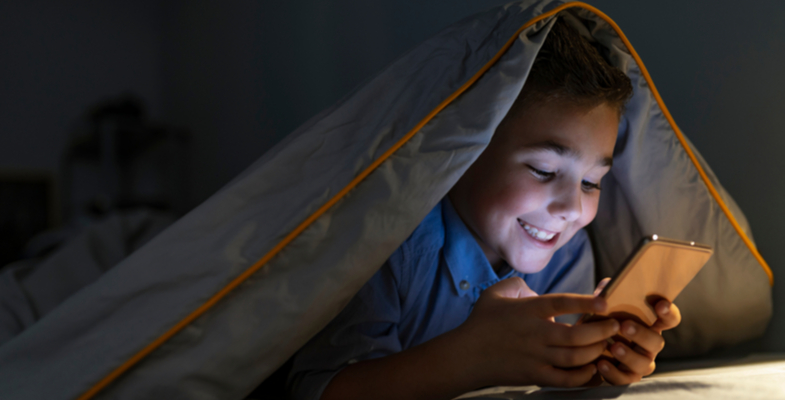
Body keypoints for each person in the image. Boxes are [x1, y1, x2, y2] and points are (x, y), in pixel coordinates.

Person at [288, 17, 682, 400]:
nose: (571, 208)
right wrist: (472, 358)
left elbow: (556, 379)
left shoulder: (566, 253)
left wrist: (601, 365)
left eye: (591, 182)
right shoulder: (391, 245)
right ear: (465, 152)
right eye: (543, 170)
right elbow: (319, 388)